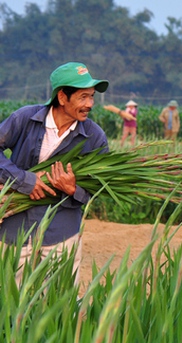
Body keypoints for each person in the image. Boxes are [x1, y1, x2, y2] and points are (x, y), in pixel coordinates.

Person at [0, 62, 109, 284]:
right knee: (9, 297)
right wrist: (25, 180)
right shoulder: (25, 119)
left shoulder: (94, 137)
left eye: (91, 97)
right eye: (83, 97)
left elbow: (100, 187)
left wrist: (73, 189)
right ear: (62, 97)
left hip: (60, 233)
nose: (89, 104)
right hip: (15, 229)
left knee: (59, 300)